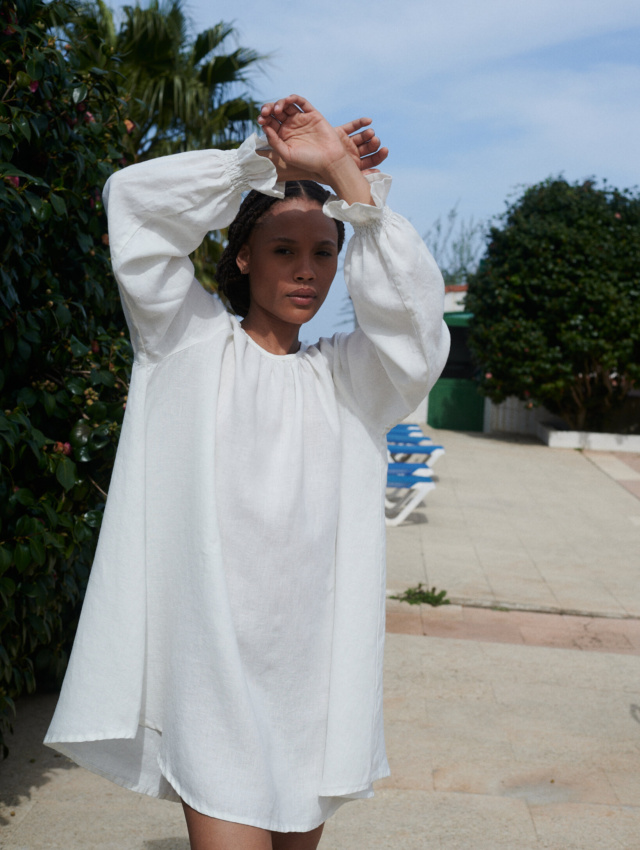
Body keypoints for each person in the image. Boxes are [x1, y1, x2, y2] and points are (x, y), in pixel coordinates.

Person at [44, 95, 450, 850]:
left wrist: (350, 190)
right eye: (283, 249)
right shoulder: (187, 342)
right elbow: (132, 200)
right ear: (242, 256)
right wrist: (262, 166)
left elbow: (416, 333)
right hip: (213, 680)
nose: (307, 271)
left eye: (325, 252)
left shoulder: (352, 383)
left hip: (311, 685)